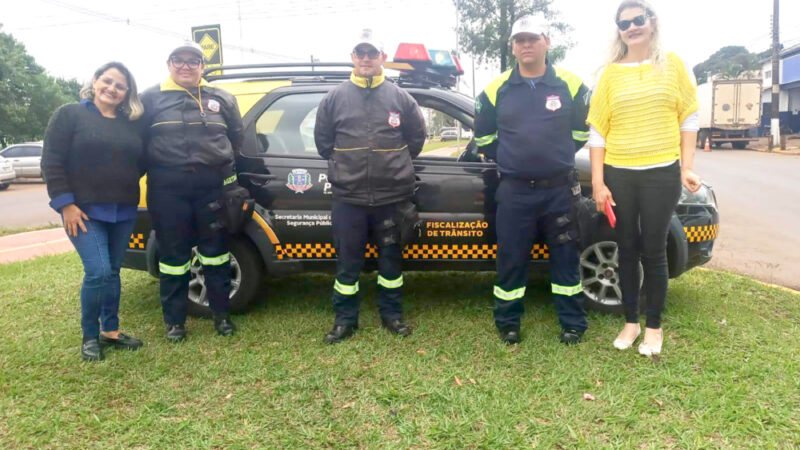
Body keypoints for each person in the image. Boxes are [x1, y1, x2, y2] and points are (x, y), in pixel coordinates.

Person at [588, 0, 701, 356]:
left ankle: (653, 327)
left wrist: (686, 167)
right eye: (624, 23)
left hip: (661, 173)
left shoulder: (673, 66)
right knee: (626, 249)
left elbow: (688, 119)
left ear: (651, 23)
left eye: (638, 20)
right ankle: (630, 322)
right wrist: (598, 182)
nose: (632, 27)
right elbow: (598, 133)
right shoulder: (608, 74)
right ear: (618, 30)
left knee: (654, 250)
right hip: (619, 173)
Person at [474, 15, 591, 345]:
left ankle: (572, 323)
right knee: (511, 259)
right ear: (513, 46)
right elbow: (483, 137)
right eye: (519, 40)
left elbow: (583, 130)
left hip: (559, 190)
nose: (525, 45)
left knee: (566, 258)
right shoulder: (495, 88)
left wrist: (556, 153)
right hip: (514, 191)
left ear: (546, 42)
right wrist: (513, 157)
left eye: (532, 38)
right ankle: (508, 322)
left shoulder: (571, 85)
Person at [314, 29, 427, 344]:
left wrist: (391, 166)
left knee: (390, 262)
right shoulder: (334, 97)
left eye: (371, 53)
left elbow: (416, 140)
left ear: (382, 58)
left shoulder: (400, 98)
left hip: (392, 197)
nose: (366, 59)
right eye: (360, 53)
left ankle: (392, 316)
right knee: (347, 265)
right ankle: (345, 321)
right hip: (348, 198)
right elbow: (324, 143)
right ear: (353, 57)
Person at [140, 41, 245, 341]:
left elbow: (236, 140)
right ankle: (175, 322)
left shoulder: (221, 97)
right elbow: (136, 145)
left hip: (211, 189)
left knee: (216, 255)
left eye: (192, 61)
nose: (185, 65)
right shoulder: (149, 98)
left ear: (202, 66)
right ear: (168, 64)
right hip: (167, 189)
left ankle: (221, 315)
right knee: (173, 257)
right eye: (179, 60)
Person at [42, 62, 145, 361]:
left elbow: (140, 162)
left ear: (127, 94)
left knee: (113, 272)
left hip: (124, 209)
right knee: (98, 271)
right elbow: (52, 161)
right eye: (107, 81)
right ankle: (89, 336)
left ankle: (110, 331)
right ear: (95, 81)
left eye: (120, 86)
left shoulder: (131, 124)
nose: (112, 88)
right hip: (83, 211)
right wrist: (66, 204)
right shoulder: (70, 114)